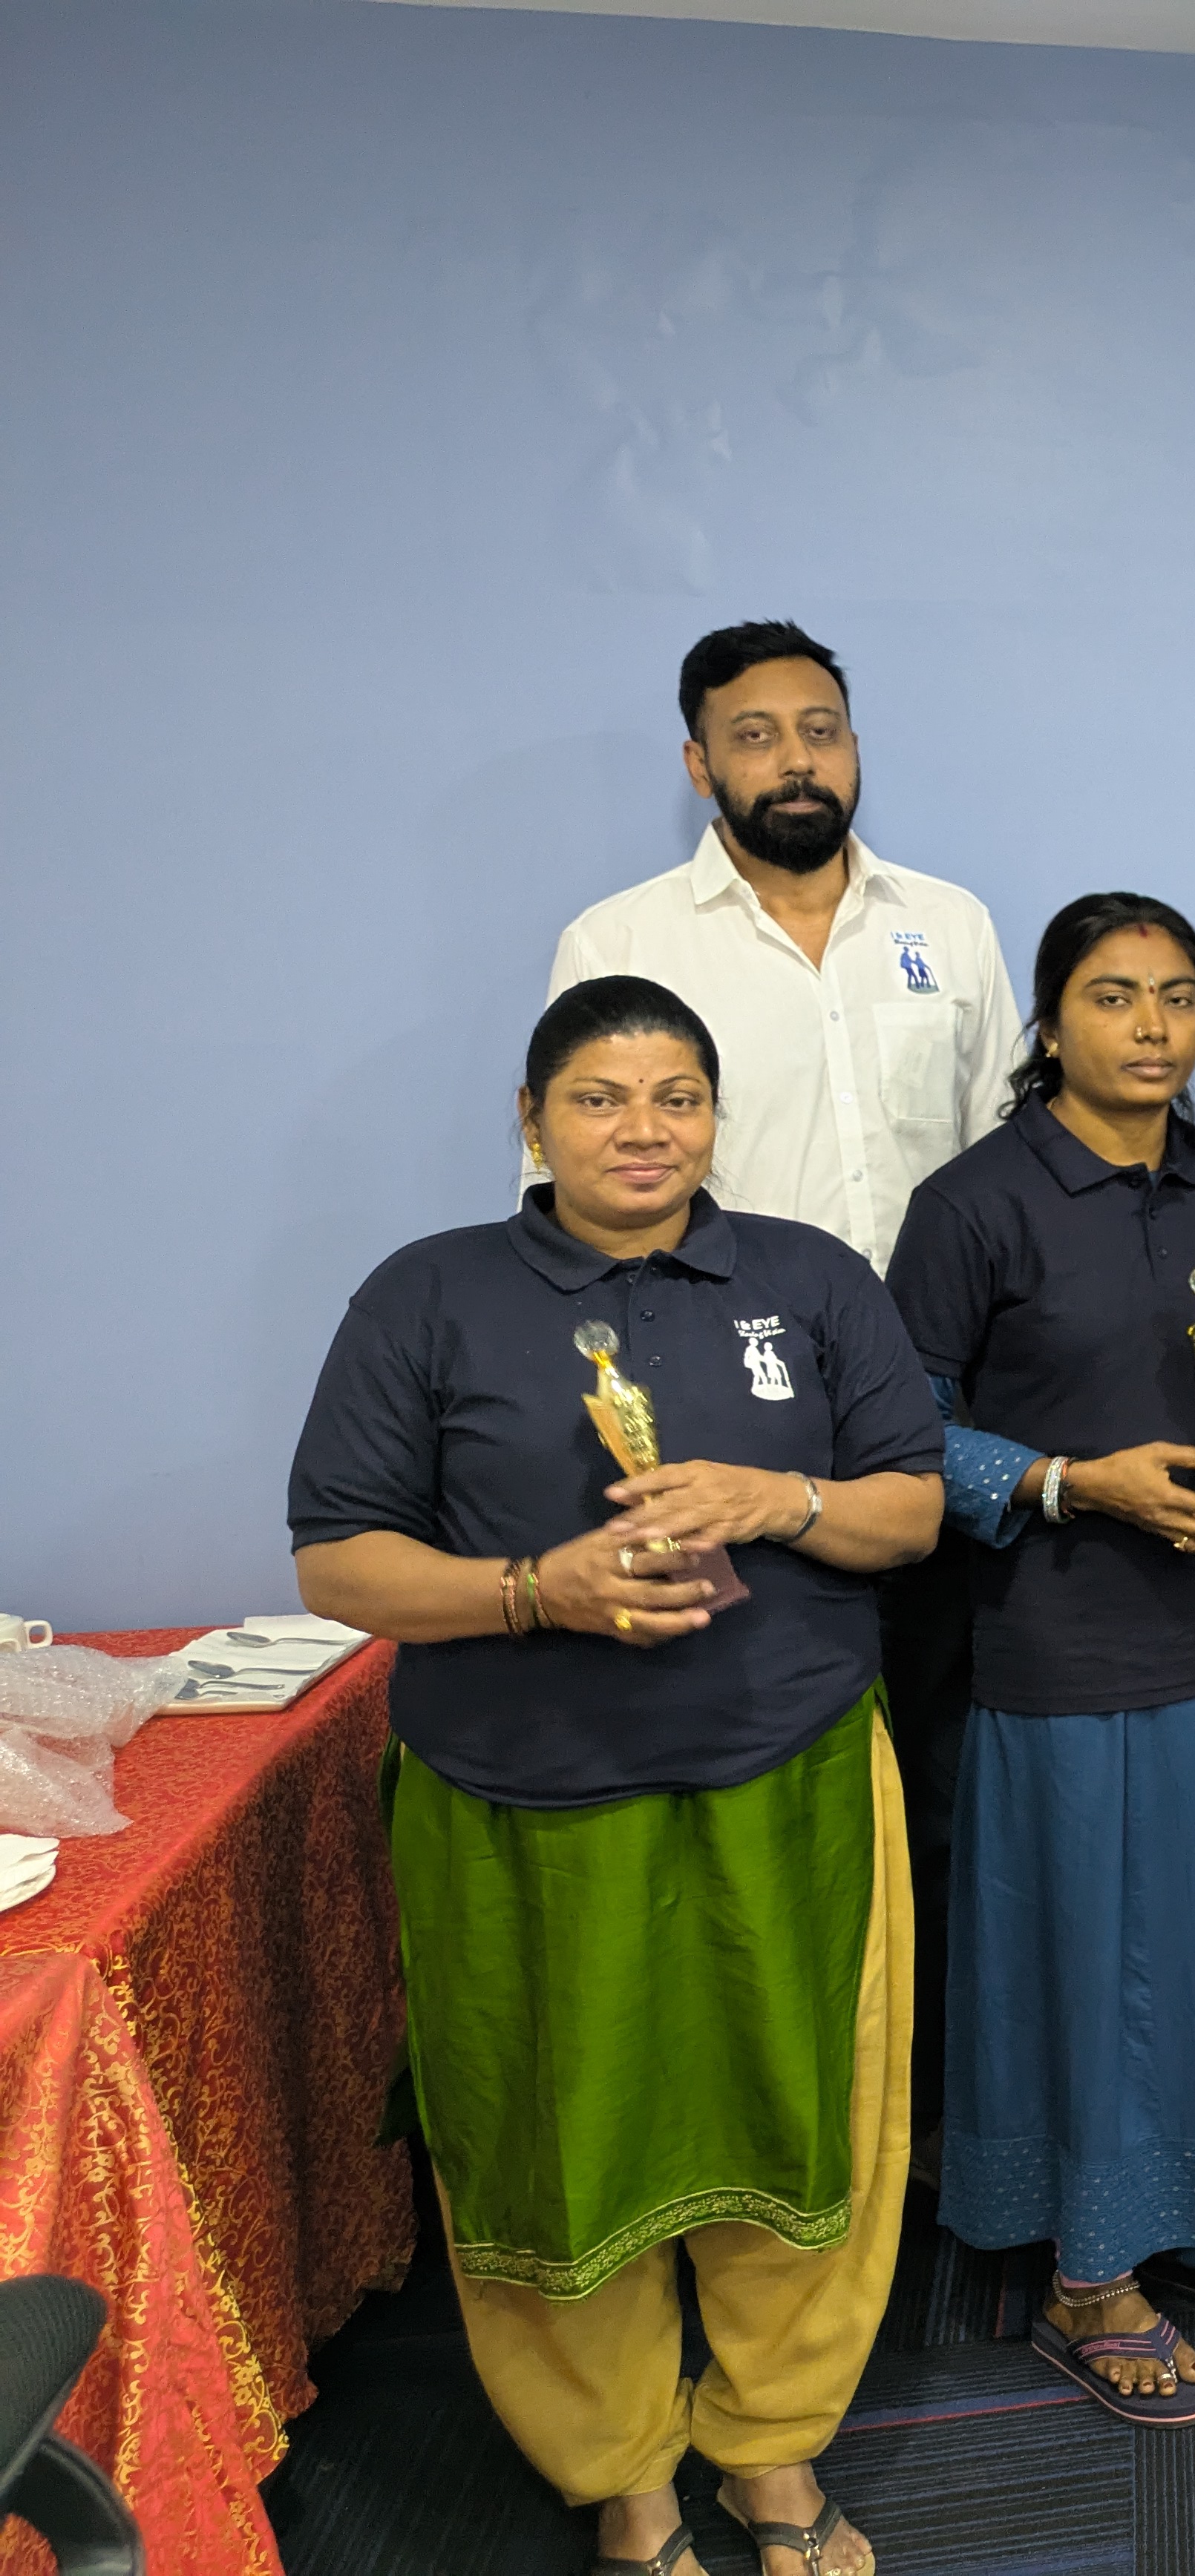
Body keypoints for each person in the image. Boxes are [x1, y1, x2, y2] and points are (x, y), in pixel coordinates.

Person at [289, 976, 945, 2576]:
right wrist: (537, 1588)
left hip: (788, 1777)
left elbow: (910, 1512)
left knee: (802, 2124)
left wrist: (779, 1494)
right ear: (531, 1121)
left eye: (675, 1094)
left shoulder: (810, 1278)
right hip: (519, 1798)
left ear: (716, 1117)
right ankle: (622, 2473)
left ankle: (775, 2450)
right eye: (598, 1095)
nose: (641, 1126)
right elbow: (338, 1562)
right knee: (551, 2136)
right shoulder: (427, 1295)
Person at [886, 893, 1195, 2425]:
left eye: (1176, 995)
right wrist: (1065, 1482)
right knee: (1108, 1960)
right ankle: (1090, 2274)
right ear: (1048, 1024)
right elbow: (905, 1426)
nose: (1151, 1024)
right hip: (1063, 1637)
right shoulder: (975, 1202)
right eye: (1113, 996)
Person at [543, 620, 1016, 2163]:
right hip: (733, 1427)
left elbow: (1014, 1159)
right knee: (765, 1800)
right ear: (699, 762)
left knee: (945, 1788)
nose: (795, 756)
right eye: (755, 733)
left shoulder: (946, 922)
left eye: (821, 726)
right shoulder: (621, 937)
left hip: (939, 1424)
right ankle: (773, 2126)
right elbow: (579, 1201)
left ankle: (933, 2136)